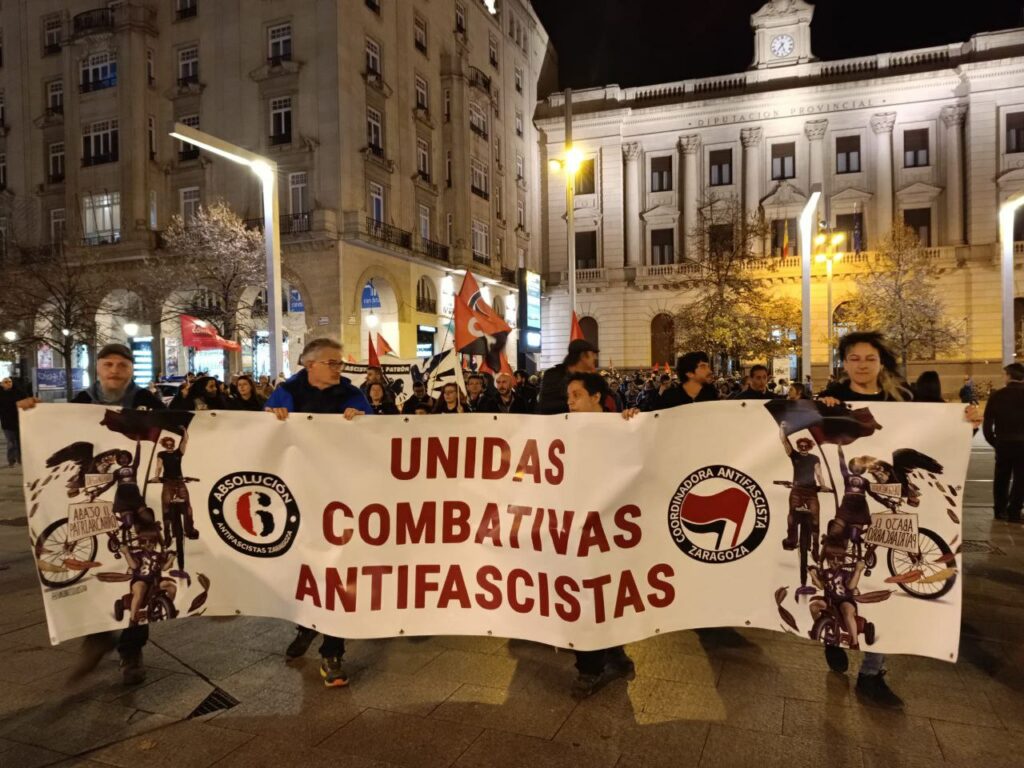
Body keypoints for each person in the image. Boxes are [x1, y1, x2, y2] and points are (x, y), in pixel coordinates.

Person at [816, 331, 981, 708]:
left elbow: (938, 437)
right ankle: (833, 636)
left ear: (880, 362)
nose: (861, 365)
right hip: (845, 502)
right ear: (844, 363)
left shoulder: (904, 399)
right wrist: (822, 408)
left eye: (869, 358)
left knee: (885, 590)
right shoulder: (833, 400)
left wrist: (966, 423)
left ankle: (872, 675)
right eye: (854, 358)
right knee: (836, 561)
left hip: (888, 505)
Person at [17, 343, 165, 685]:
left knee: (138, 568)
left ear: (131, 370)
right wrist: (30, 412)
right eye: (108, 364)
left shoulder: (149, 403)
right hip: (95, 499)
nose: (115, 370)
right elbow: (50, 432)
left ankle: (132, 649)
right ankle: (97, 637)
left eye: (122, 365)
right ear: (97, 368)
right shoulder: (80, 403)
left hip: (137, 495)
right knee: (97, 568)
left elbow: (189, 428)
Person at [266, 338, 372, 687]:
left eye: (340, 363)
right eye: (333, 363)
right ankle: (307, 625)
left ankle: (332, 651)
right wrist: (270, 422)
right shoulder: (286, 393)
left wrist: (362, 420)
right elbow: (262, 435)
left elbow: (374, 431)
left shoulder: (350, 394)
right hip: (300, 494)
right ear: (309, 364)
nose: (340, 369)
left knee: (336, 568)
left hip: (341, 496)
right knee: (306, 567)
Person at [565, 371, 639, 698]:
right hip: (577, 531)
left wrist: (635, 424)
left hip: (613, 530)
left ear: (597, 397)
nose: (570, 402)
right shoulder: (561, 431)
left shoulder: (620, 425)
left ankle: (611, 652)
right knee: (584, 594)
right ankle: (590, 667)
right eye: (568, 396)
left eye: (577, 395)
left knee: (608, 593)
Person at [983, 362, 1024, 523]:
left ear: (1008, 376)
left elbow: (987, 425)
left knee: (1001, 478)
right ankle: (1014, 510)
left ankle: (999, 510)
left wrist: (994, 441)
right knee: (1021, 479)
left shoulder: (997, 395)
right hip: (1023, 443)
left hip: (1004, 443)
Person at [778, 423, 825, 560]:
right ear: (798, 447)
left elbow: (819, 473)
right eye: (801, 446)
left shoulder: (814, 458)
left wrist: (823, 485)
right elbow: (784, 441)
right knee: (792, 515)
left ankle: (816, 549)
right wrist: (782, 428)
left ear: (810, 446)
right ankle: (791, 539)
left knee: (816, 520)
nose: (803, 448)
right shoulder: (794, 456)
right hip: (797, 491)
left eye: (806, 446)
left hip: (811, 492)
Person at [537, 339, 599, 414]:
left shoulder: (589, 377)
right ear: (583, 356)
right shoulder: (553, 375)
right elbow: (546, 405)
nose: (595, 358)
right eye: (592, 354)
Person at [652, 351, 718, 409]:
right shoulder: (670, 397)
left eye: (708, 366)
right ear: (689, 373)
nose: (709, 371)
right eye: (703, 367)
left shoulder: (711, 394)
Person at [0, 376, 27, 466]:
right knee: (11, 443)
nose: (8, 383)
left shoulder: (18, 393)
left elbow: (26, 401)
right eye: (6, 382)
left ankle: (20, 460)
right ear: (2, 384)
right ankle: (11, 460)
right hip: (7, 422)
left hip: (19, 421)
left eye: (10, 382)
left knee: (19, 442)